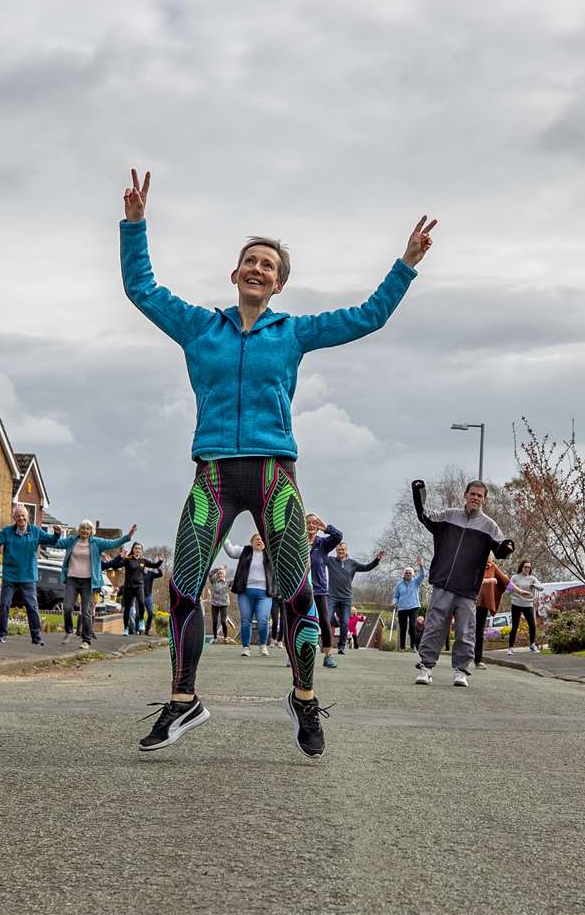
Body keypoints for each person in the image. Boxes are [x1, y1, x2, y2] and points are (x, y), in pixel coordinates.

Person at [119, 168, 433, 756]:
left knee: (295, 594)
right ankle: (184, 702)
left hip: (272, 476)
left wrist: (406, 264)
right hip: (212, 473)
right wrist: (135, 225)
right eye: (250, 262)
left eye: (269, 265)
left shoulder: (292, 333)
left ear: (279, 284)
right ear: (235, 274)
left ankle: (305, 700)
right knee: (183, 589)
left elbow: (368, 316)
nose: (258, 269)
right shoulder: (198, 327)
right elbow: (142, 290)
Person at [413, 479, 515, 688]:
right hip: (443, 583)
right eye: (473, 494)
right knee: (434, 627)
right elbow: (424, 516)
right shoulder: (448, 516)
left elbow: (500, 550)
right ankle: (426, 667)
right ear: (465, 495)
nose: (476, 498)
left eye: (480, 495)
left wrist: (507, 547)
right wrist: (418, 494)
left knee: (465, 631)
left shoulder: (489, 526)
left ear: (484, 500)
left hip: (468, 589)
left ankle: (460, 671)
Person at [0, 505, 70, 646]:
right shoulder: (7, 532)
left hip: (28, 577)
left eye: (23, 515)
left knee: (32, 607)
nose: (21, 518)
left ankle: (36, 638)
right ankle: (2, 635)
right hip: (10, 577)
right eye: (18, 516)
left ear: (28, 517)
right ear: (14, 518)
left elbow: (51, 540)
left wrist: (57, 534)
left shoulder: (36, 531)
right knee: (4, 605)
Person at [57, 520, 133, 647]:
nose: (85, 531)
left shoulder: (96, 542)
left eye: (87, 529)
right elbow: (57, 543)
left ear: (91, 531)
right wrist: (54, 534)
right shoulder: (71, 541)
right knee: (67, 607)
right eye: (83, 528)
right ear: (79, 529)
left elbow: (113, 543)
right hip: (72, 580)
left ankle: (86, 640)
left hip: (88, 582)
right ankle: (69, 630)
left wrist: (128, 537)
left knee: (87, 611)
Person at [327, 542, 382, 654]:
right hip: (332, 596)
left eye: (343, 550)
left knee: (345, 623)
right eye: (339, 550)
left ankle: (341, 646)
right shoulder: (330, 561)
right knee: (326, 618)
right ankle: (327, 641)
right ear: (336, 551)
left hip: (346, 598)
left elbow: (366, 567)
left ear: (346, 551)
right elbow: (318, 558)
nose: (341, 551)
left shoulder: (352, 563)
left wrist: (376, 560)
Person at [225, 535, 273, 657]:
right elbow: (230, 551)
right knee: (246, 620)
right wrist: (223, 536)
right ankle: (246, 647)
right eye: (256, 538)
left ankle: (262, 645)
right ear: (251, 542)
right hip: (245, 593)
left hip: (264, 594)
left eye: (262, 539)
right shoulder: (245, 551)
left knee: (263, 620)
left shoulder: (270, 552)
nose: (259, 540)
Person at [306, 514, 343, 669]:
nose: (311, 525)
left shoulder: (322, 544)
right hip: (300, 590)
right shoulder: (297, 542)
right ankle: (293, 656)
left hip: (319, 589)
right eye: (308, 522)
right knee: (299, 623)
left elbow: (338, 536)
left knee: (325, 622)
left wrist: (325, 527)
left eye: (314, 523)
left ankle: (327, 655)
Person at [113, 542, 165, 635]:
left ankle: (141, 620)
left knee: (141, 603)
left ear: (141, 551)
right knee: (128, 608)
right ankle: (125, 628)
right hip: (128, 587)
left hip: (139, 586)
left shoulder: (143, 561)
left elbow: (155, 565)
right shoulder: (128, 560)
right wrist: (120, 557)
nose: (138, 550)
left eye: (139, 549)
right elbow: (115, 566)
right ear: (133, 549)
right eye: (136, 548)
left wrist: (160, 561)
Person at [474, 555, 508, 669]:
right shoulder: (475, 565)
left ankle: (478, 660)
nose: (489, 559)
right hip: (469, 601)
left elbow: (505, 581)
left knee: (479, 632)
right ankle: (460, 656)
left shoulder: (493, 567)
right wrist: (488, 580)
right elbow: (471, 579)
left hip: (482, 604)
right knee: (465, 630)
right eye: (487, 556)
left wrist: (520, 591)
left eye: (490, 557)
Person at [504, 560, 541, 653]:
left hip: (528, 604)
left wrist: (534, 585)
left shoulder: (532, 578)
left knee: (532, 625)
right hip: (516, 604)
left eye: (529, 567)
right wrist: (514, 587)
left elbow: (541, 587)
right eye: (525, 567)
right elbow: (507, 591)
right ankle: (510, 648)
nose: (527, 569)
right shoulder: (515, 577)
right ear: (521, 567)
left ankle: (532, 645)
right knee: (515, 626)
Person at [394, 563, 424, 653]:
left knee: (412, 626)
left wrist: (421, 566)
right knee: (403, 627)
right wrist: (395, 602)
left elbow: (422, 575)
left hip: (413, 606)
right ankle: (402, 647)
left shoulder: (416, 582)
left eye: (410, 573)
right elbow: (395, 596)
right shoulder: (399, 584)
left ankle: (413, 646)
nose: (408, 574)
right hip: (402, 608)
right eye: (406, 573)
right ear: (404, 574)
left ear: (413, 574)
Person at [207, 564, 232, 644]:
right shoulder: (214, 581)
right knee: (214, 621)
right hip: (214, 604)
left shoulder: (228, 582)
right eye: (219, 573)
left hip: (224, 604)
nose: (220, 575)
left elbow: (237, 580)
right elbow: (210, 574)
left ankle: (225, 637)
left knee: (223, 621)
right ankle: (215, 638)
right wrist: (218, 568)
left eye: (222, 573)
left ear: (224, 574)